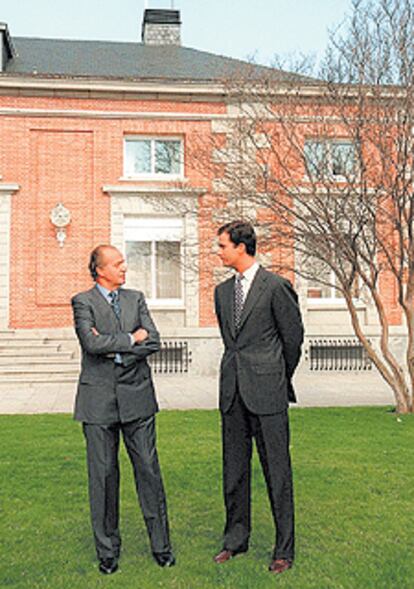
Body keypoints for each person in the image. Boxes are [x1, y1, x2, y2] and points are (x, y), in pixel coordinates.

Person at [71, 245, 175, 575]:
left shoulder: (136, 299)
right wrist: (131, 340)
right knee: (102, 477)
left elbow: (154, 340)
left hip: (138, 399)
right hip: (98, 402)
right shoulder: (82, 302)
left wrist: (116, 346)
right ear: (100, 270)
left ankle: (162, 547)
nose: (124, 268)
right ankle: (108, 552)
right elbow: (90, 344)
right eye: (117, 264)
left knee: (148, 471)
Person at [213, 221, 304, 575]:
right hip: (232, 394)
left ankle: (284, 550)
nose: (217, 252)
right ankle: (235, 540)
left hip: (268, 394)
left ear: (241, 247)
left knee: (277, 473)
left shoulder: (276, 287)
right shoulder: (222, 292)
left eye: (222, 246)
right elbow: (230, 341)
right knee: (233, 472)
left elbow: (292, 341)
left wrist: (276, 378)